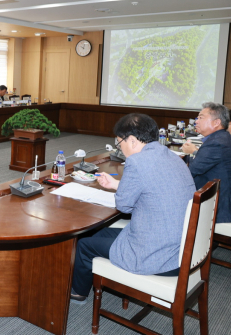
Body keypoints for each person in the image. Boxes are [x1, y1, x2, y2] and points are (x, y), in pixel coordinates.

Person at [70, 113, 194, 304]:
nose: (121, 149)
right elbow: (155, 187)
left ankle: (78, 293)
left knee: (85, 245)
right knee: (99, 234)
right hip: (182, 247)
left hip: (156, 254)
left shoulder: (137, 162)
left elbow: (124, 206)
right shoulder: (171, 155)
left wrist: (121, 188)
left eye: (120, 143)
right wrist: (117, 185)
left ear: (133, 141)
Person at [181, 102, 231, 223]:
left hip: (219, 207)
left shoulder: (216, 143)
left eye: (201, 117)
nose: (196, 121)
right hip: (226, 198)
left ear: (216, 122)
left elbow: (190, 173)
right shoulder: (222, 137)